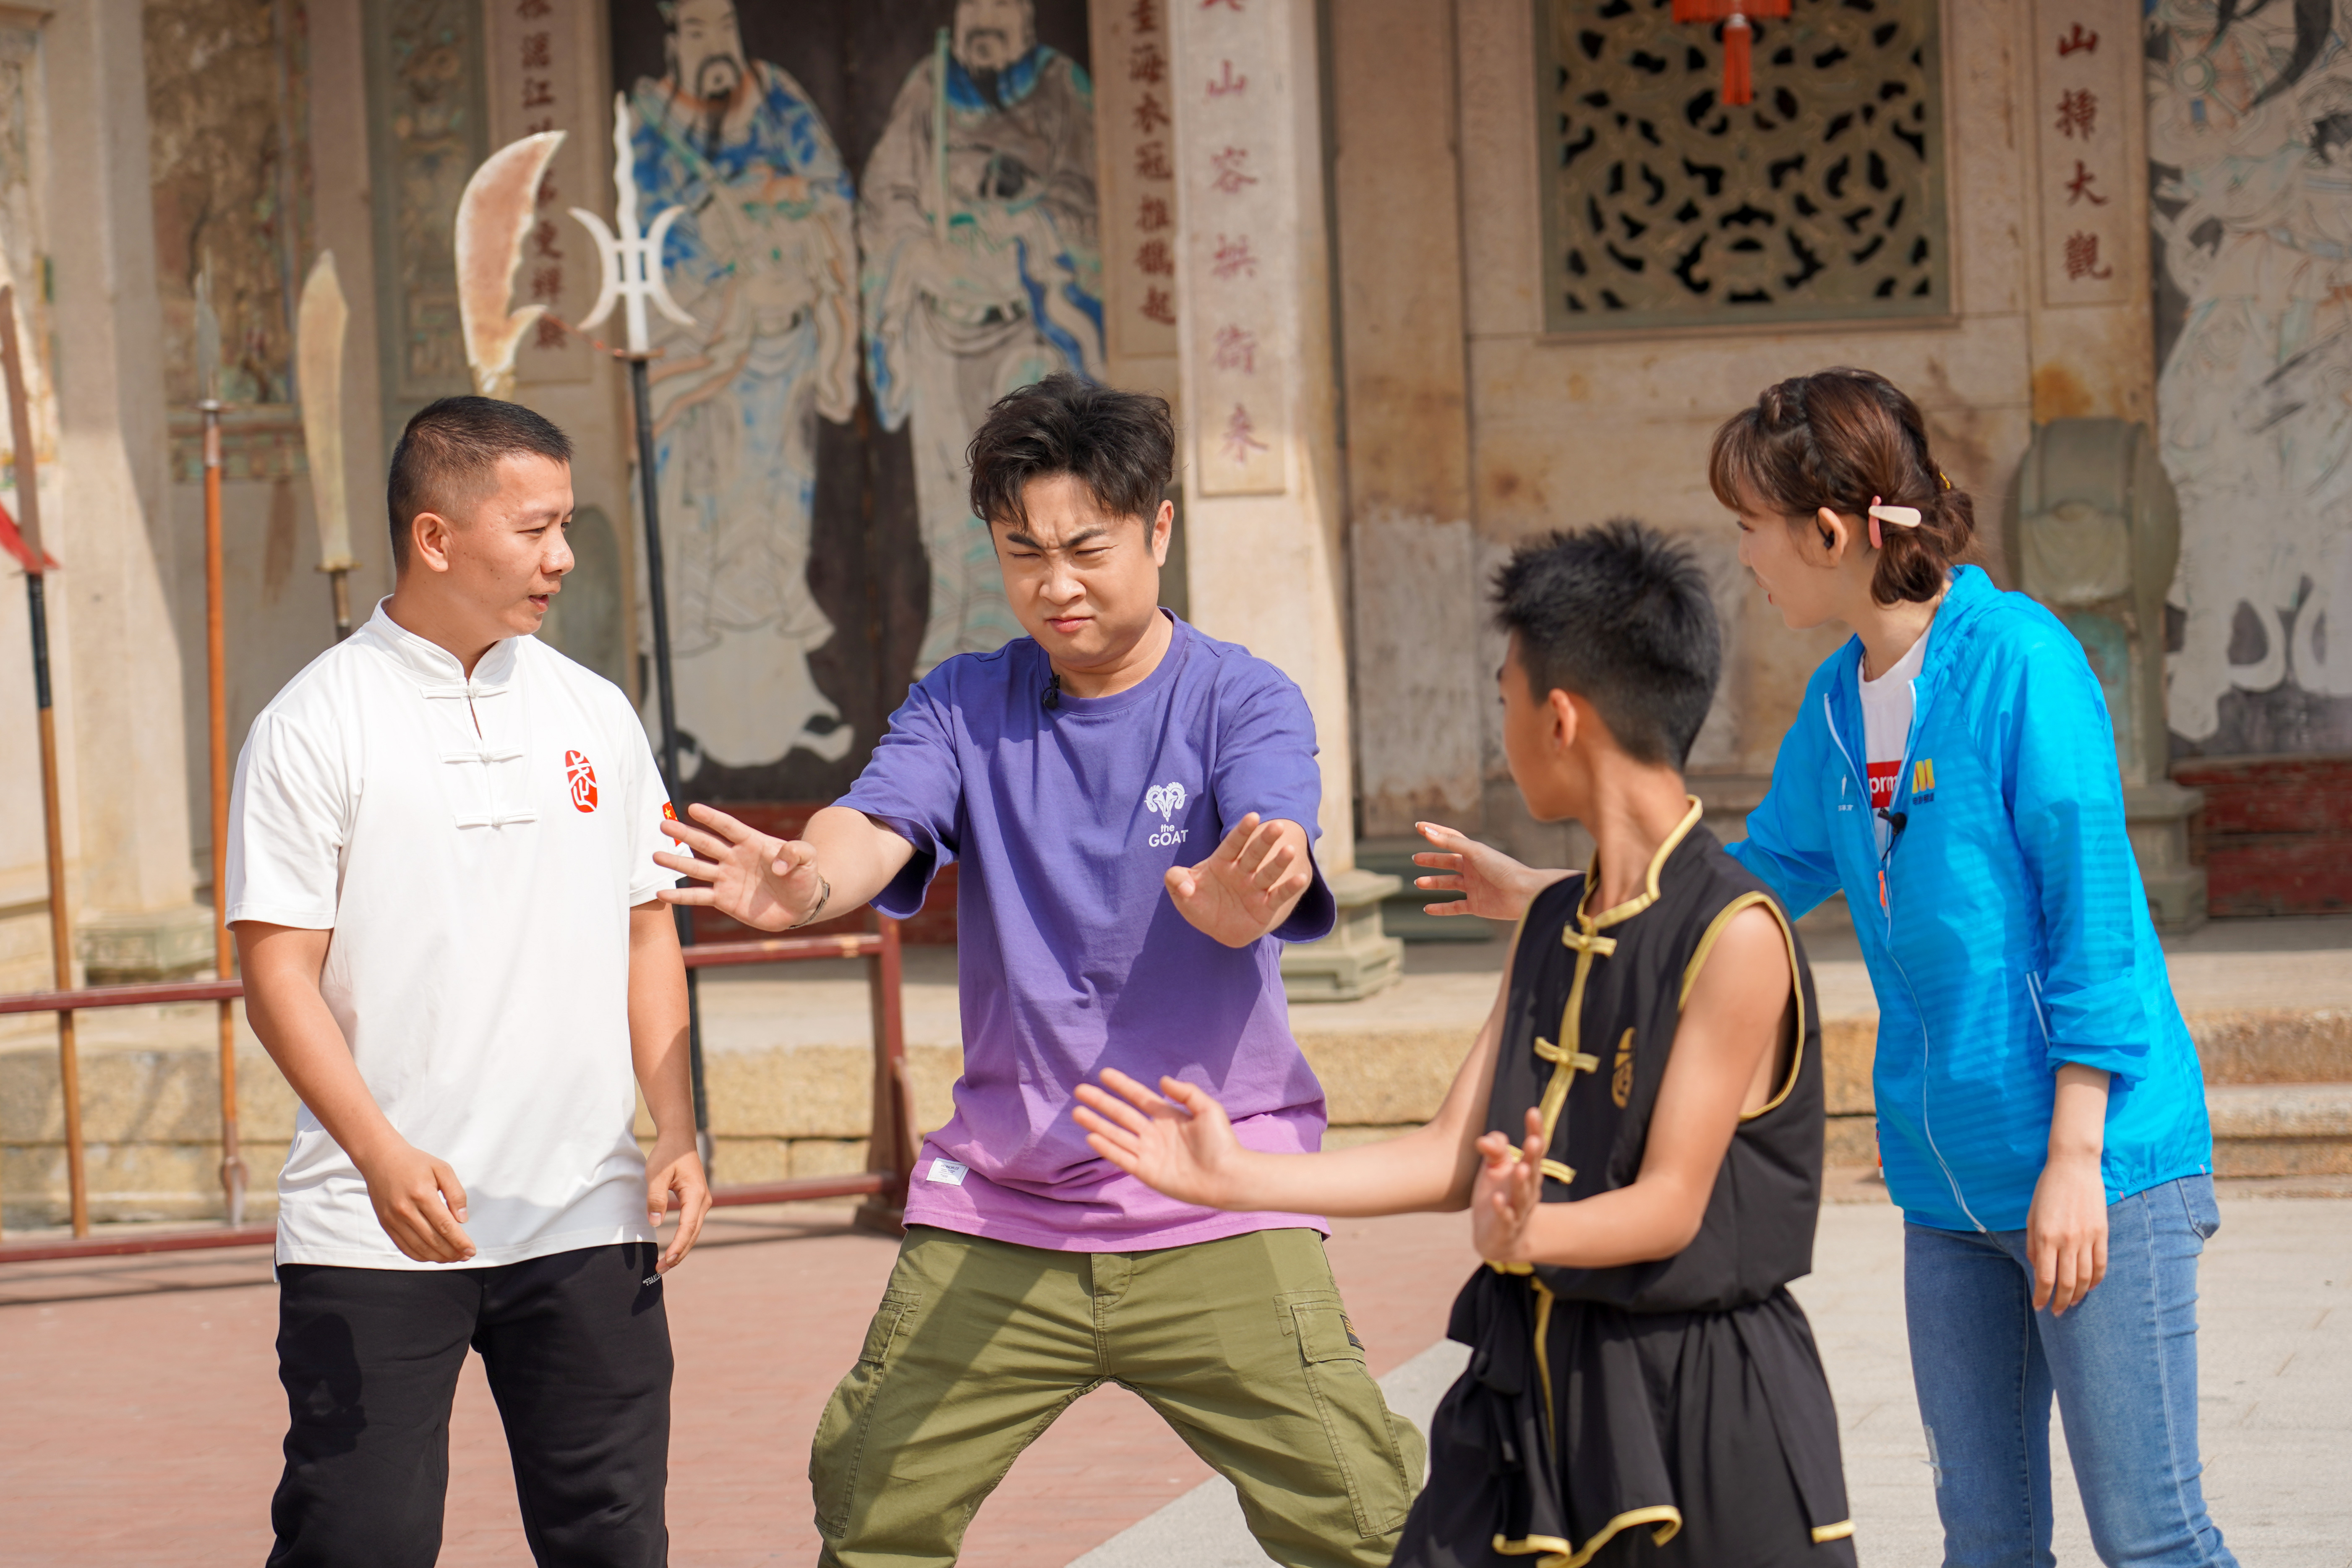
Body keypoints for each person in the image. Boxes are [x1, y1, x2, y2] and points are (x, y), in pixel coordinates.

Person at [1415, 369, 2230, 1568]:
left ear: (1832, 532)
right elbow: (1737, 888)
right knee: (1985, 1542)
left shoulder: (2021, 663)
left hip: (2097, 1169)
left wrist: (2074, 1161)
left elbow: (2094, 921)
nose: (1743, 554)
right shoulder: (1837, 705)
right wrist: (1546, 893)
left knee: (2149, 1538)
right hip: (1944, 1193)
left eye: (1752, 524)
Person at [655, 375, 1421, 1568]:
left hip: (1216, 1193)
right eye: (1022, 553)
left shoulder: (1240, 698)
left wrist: (1248, 898)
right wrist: (803, 882)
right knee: (868, 1500)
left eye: (1086, 549)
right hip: (1004, 1203)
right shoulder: (964, 704)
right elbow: (875, 824)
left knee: (1366, 1517)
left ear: (1158, 529)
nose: (1055, 584)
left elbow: (1270, 838)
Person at [1080, 521, 1858, 1567]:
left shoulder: (1736, 932)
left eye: (1505, 700)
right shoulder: (1555, 921)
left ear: (1560, 719)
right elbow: (1453, 1153)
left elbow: (1672, 1204)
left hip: (1701, 1408)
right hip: (1532, 1380)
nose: (1502, 730)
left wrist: (1528, 1234)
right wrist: (1234, 1178)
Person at [228, 396, 711, 1568]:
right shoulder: (314, 724)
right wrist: (380, 1154)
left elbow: (648, 925)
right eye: (535, 528)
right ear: (435, 538)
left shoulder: (595, 712)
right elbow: (276, 970)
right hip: (378, 1224)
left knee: (613, 1540)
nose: (563, 556)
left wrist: (675, 1128)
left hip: (585, 1211)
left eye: (566, 525)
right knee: (361, 1540)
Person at [630, 0, 862, 770]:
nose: (715, 45)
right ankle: (679, 715)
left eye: (722, 26)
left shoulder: (778, 100)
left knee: (774, 532)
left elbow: (830, 196)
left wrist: (779, 207)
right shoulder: (647, 123)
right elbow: (641, 234)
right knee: (691, 532)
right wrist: (715, 267)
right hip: (697, 369)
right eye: (697, 30)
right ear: (671, 38)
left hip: (779, 357)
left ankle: (787, 701)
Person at [861, 0, 1105, 672]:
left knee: (1036, 492)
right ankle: (958, 640)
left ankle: (1036, 642)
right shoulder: (928, 89)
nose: (986, 25)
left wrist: (1027, 219)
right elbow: (886, 195)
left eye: (1001, 11)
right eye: (976, 11)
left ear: (1025, 18)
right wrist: (917, 244)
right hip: (941, 328)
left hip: (1024, 322)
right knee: (952, 498)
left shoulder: (1059, 88)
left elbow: (1085, 196)